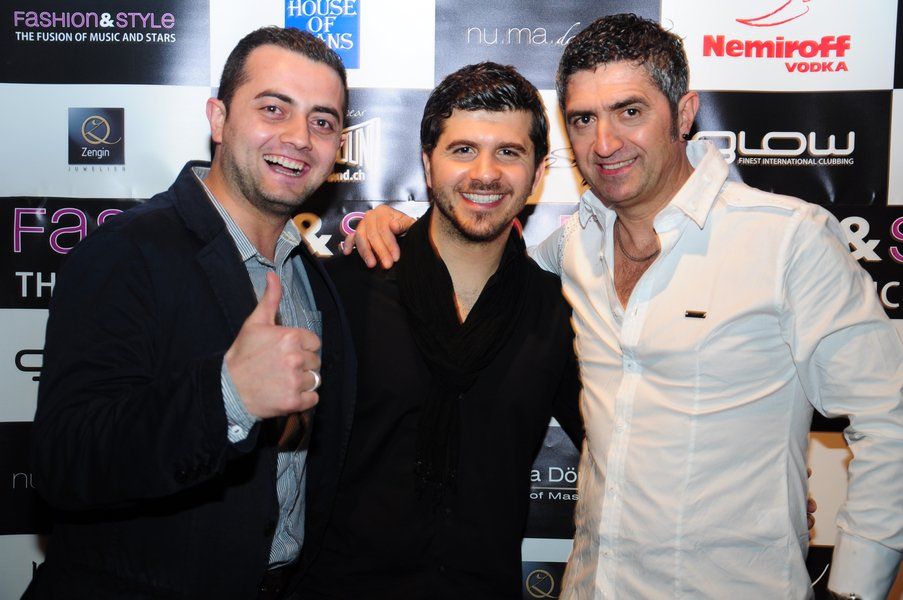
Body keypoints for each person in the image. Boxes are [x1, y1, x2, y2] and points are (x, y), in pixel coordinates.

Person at [347, 13, 902, 599]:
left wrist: (854, 591)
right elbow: (479, 253)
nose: (605, 143)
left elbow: (888, 419)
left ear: (684, 114)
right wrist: (398, 227)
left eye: (629, 112)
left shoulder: (787, 239)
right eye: (583, 119)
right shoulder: (572, 246)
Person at [29, 27, 356, 600]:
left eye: (322, 121)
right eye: (274, 108)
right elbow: (65, 460)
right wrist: (228, 395)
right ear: (218, 119)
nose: (299, 137)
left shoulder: (314, 278)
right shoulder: (127, 251)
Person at [298, 62, 582, 599]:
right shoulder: (343, 290)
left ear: (538, 172)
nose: (485, 173)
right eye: (463, 150)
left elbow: (619, 439)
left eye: (509, 152)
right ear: (428, 164)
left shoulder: (557, 311)